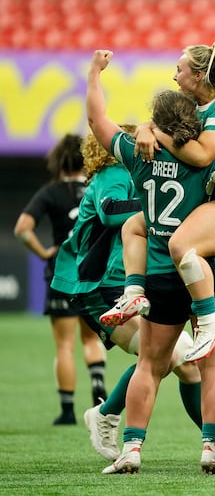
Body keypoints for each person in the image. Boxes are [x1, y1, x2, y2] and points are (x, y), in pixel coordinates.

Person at [86, 49, 215, 474]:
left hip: (159, 276)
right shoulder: (209, 164)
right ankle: (211, 447)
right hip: (206, 266)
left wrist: (95, 74)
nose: (174, 73)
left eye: (180, 68)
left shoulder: (139, 151)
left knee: (149, 364)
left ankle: (131, 449)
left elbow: (98, 121)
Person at [50, 129, 215, 467]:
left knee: (184, 365)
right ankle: (106, 414)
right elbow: (109, 211)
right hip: (101, 285)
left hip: (121, 281)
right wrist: (168, 206)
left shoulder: (143, 170)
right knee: (168, 357)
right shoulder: (114, 172)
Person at [101, 41, 215, 363]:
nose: (175, 77)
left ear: (199, 74)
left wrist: (155, 133)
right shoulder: (193, 104)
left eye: (180, 69)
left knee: (181, 245)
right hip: (208, 202)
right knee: (136, 224)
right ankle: (133, 292)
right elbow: (166, 116)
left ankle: (207, 323)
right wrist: (147, 127)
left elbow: (202, 156)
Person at [14, 133, 107, 425]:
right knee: (92, 337)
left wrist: (43, 251)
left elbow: (22, 229)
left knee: (64, 345)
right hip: (94, 273)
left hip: (62, 274)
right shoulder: (96, 186)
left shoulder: (50, 192)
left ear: (58, 161)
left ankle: (67, 410)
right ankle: (99, 391)